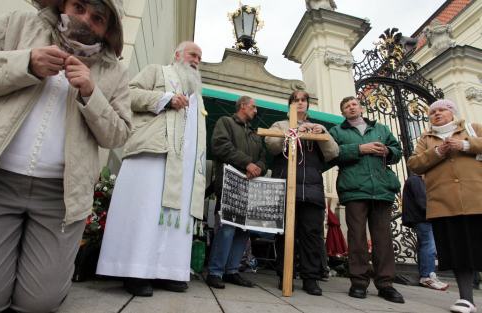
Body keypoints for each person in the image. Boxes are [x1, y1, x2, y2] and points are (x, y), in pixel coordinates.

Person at [0, 1, 131, 312]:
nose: (85, 20)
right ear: (63, 3)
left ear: (108, 30)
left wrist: (91, 94)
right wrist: (25, 63)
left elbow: (119, 133)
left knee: (39, 303)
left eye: (97, 18)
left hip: (59, 198)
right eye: (78, 6)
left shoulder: (113, 69)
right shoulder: (21, 24)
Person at [96, 41, 206, 297]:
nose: (197, 60)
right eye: (193, 54)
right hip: (152, 154)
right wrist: (164, 99)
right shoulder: (157, 71)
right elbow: (128, 93)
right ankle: (135, 271)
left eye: (200, 57)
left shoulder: (197, 95)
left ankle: (168, 270)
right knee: (145, 213)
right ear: (177, 54)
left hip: (183, 165)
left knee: (172, 219)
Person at [408, 99, 482, 313]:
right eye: (432, 112)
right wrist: (438, 152)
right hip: (445, 203)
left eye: (442, 110)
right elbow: (414, 164)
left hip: (476, 198)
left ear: (453, 112)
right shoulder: (425, 139)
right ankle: (466, 299)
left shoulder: (471, 128)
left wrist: (466, 145)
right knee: (459, 251)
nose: (437, 114)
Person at [328, 96, 405, 303]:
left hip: (381, 189)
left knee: (383, 239)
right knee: (357, 238)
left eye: (354, 104)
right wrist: (359, 149)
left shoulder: (380, 128)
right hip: (354, 189)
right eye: (346, 106)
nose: (351, 108)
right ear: (343, 112)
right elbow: (331, 153)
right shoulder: (337, 131)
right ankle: (359, 282)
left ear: (360, 108)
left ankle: (386, 284)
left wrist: (388, 151)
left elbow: (397, 152)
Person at [264, 90, 338, 295]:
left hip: (312, 190)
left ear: (308, 104)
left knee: (312, 235)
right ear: (290, 105)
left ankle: (310, 278)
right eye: (295, 100)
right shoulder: (280, 125)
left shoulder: (318, 127)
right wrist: (294, 129)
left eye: (303, 100)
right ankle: (284, 274)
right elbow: (271, 145)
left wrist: (322, 132)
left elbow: (333, 153)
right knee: (285, 234)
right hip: (286, 186)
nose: (300, 103)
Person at [205, 96, 267, 289]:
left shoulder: (256, 135)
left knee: (243, 230)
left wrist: (257, 167)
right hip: (229, 185)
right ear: (242, 105)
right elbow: (221, 146)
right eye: (253, 107)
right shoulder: (225, 122)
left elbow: (264, 158)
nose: (256, 111)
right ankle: (215, 271)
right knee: (227, 228)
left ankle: (232, 271)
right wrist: (246, 163)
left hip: (249, 187)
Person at [402, 174, 448, 290]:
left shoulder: (418, 180)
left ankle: (427, 275)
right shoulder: (415, 180)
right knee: (429, 245)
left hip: (422, 218)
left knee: (425, 245)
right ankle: (427, 276)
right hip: (422, 218)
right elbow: (423, 201)